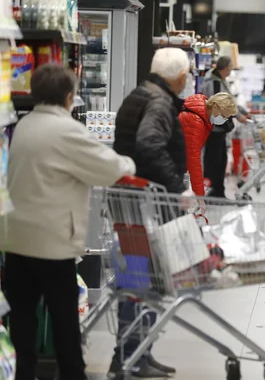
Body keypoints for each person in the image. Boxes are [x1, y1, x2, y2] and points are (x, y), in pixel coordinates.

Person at [1, 64, 135, 380]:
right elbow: (110, 168)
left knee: (22, 316)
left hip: (16, 236)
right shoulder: (67, 131)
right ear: (68, 97)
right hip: (52, 240)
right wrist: (129, 161)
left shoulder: (23, 124)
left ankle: (23, 374)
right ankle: (73, 374)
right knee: (63, 318)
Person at [112, 48, 191, 378]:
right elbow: (148, 144)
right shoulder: (160, 102)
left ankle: (135, 353)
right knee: (144, 280)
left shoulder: (141, 92)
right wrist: (177, 187)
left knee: (137, 277)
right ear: (182, 78)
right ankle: (132, 356)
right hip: (145, 204)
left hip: (130, 201)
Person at [197, 56, 249, 198]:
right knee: (214, 161)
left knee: (220, 160)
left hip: (218, 127)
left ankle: (218, 192)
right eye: (230, 67)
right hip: (214, 128)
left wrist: (244, 112)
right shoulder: (214, 82)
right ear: (226, 68)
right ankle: (212, 192)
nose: (231, 70)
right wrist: (239, 116)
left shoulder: (219, 81)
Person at [179, 92, 239, 195]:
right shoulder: (197, 122)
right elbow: (193, 160)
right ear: (215, 106)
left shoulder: (202, 115)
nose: (224, 120)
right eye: (224, 116)